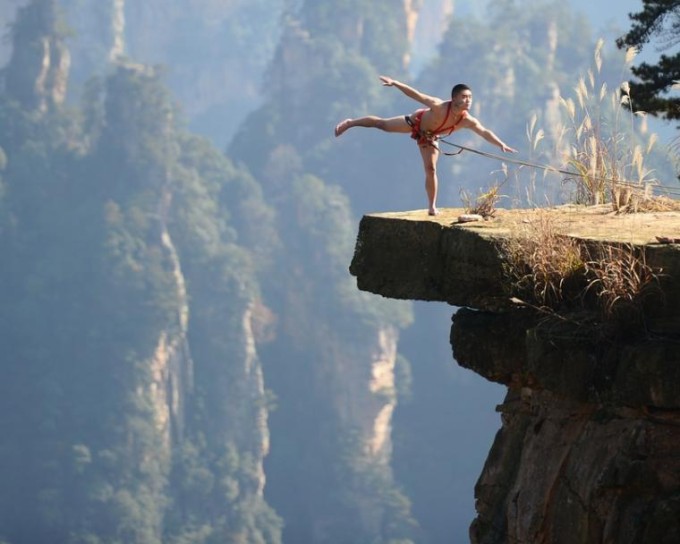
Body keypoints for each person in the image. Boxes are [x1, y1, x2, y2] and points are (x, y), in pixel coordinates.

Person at [334, 75, 517, 216]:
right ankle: (351, 123)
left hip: (430, 137)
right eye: (464, 97)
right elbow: (417, 95)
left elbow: (484, 132)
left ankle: (432, 206)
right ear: (454, 99)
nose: (469, 100)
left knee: (430, 169)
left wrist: (501, 144)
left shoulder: (467, 120)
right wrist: (396, 83)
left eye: (470, 97)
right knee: (382, 125)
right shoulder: (438, 106)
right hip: (415, 123)